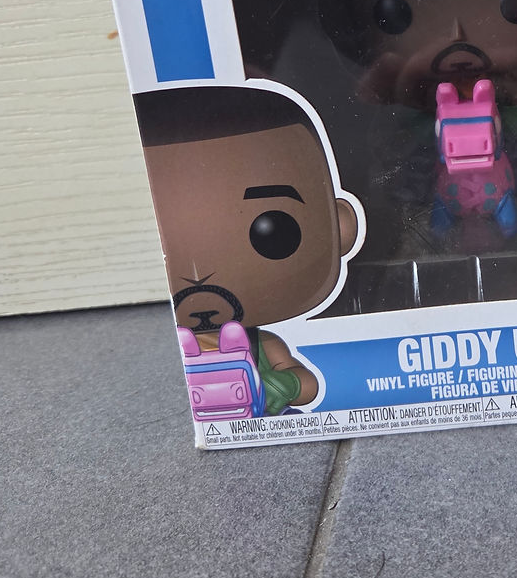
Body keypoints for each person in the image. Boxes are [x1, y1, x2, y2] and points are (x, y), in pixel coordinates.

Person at [134, 83, 362, 416]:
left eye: (273, 231)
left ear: (340, 227)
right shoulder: (168, 352)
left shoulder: (263, 346)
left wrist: (284, 386)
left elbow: (308, 385)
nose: (200, 276)